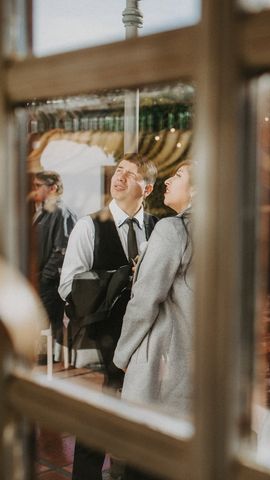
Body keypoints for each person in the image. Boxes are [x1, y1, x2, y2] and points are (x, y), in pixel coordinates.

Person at [59, 153, 157, 480]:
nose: (120, 177)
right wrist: (117, 278)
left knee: (140, 428)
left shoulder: (158, 229)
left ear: (147, 188)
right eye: (119, 171)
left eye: (130, 174)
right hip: (99, 345)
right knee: (94, 430)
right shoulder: (89, 226)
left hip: (143, 348)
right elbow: (67, 286)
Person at [113, 162, 194, 480]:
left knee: (144, 464)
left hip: (163, 365)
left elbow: (144, 301)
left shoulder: (173, 228)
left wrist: (122, 356)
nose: (169, 180)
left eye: (179, 175)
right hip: (198, 369)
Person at [31, 171, 77, 346]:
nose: (34, 189)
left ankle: (53, 363)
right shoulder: (45, 211)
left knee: (49, 324)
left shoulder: (61, 212)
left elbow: (62, 250)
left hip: (49, 283)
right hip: (42, 280)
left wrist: (44, 277)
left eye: (37, 185)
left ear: (53, 188)